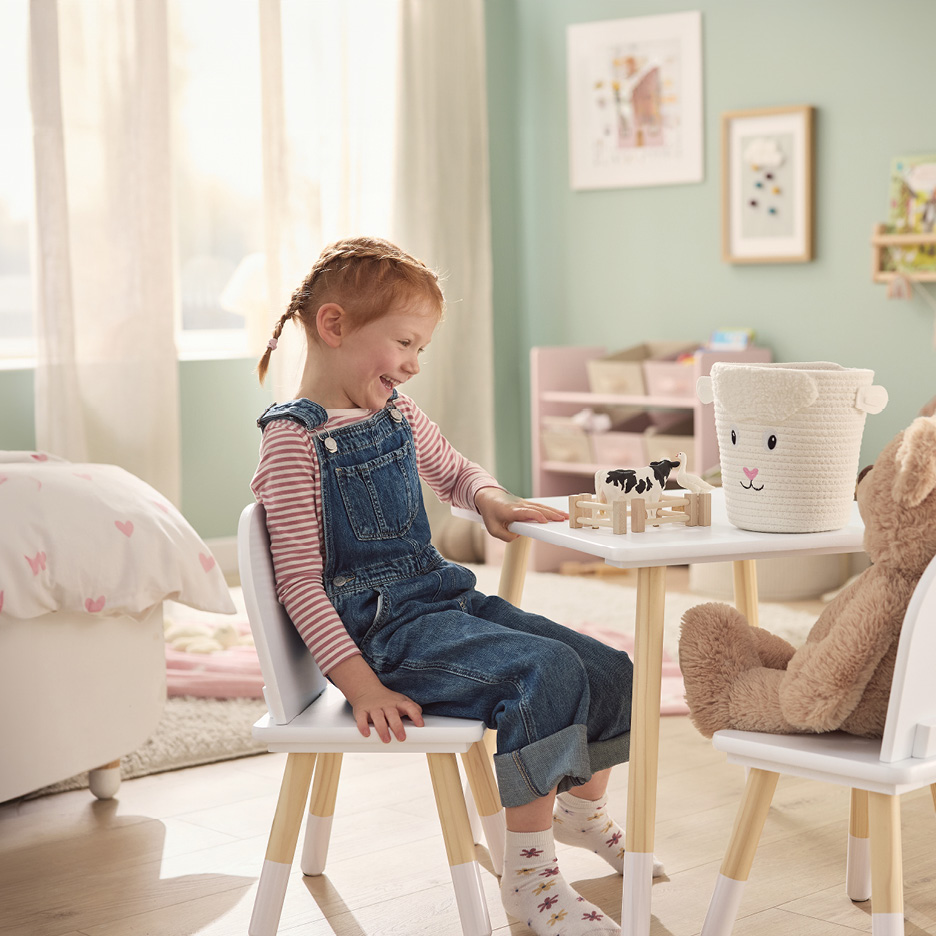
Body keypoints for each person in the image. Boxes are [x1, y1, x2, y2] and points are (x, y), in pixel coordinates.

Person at [251, 236, 639, 935]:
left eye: (420, 346)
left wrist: (488, 497)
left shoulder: (396, 412)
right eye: (403, 341)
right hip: (385, 636)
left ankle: (580, 814)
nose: (413, 363)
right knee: (543, 674)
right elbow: (300, 585)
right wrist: (360, 686)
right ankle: (530, 881)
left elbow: (455, 470)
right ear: (334, 326)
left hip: (443, 598)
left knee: (610, 668)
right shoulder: (292, 442)